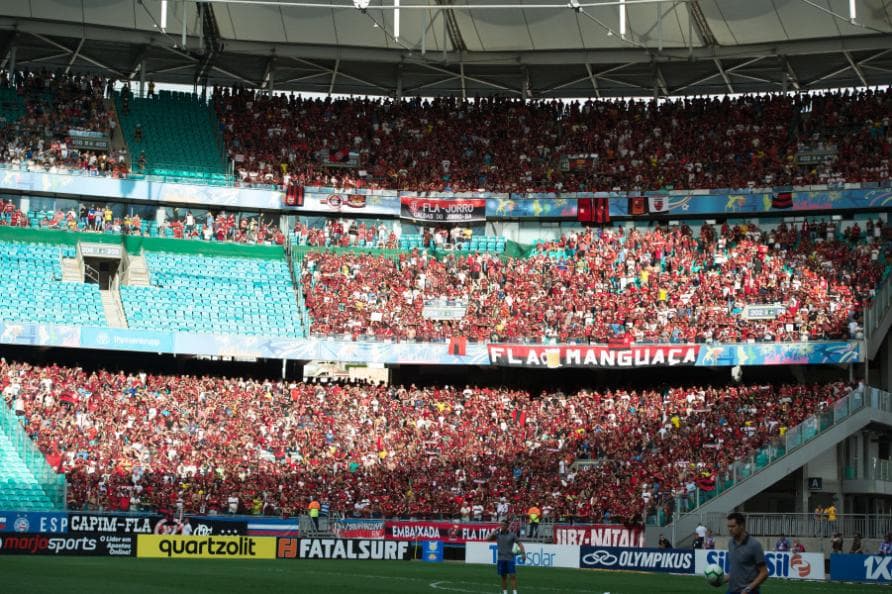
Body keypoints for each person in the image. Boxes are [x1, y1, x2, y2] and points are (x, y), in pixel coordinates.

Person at [725, 512, 768, 594]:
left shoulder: (754, 545)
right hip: (731, 590)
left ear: (742, 526)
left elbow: (764, 573)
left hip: (749, 592)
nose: (730, 529)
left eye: (733, 526)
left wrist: (748, 589)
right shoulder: (731, 543)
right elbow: (736, 570)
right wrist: (720, 580)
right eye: (728, 526)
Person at [487, 519, 525, 594]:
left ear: (507, 526)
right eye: (501, 525)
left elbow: (520, 543)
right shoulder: (497, 534)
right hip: (501, 559)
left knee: (512, 576)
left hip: (510, 558)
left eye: (503, 525)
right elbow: (487, 539)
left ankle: (514, 592)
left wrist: (523, 553)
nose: (502, 526)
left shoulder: (512, 535)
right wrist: (495, 530)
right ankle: (505, 592)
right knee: (503, 577)